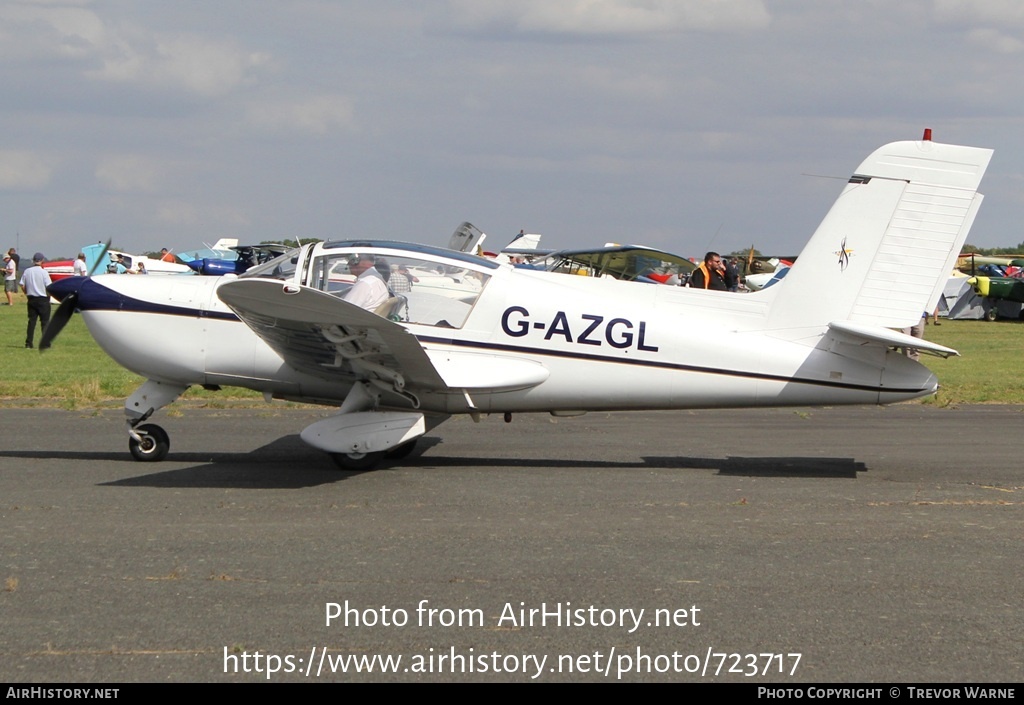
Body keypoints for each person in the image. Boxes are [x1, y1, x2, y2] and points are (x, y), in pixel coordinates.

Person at [19, 252, 52, 349]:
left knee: (32, 322)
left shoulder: (27, 271)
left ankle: (28, 343)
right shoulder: (44, 272)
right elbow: (49, 286)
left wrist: (26, 292)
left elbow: (22, 284)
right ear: (42, 261)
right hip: (42, 299)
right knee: (45, 322)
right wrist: (49, 296)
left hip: (31, 299)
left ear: (33, 260)